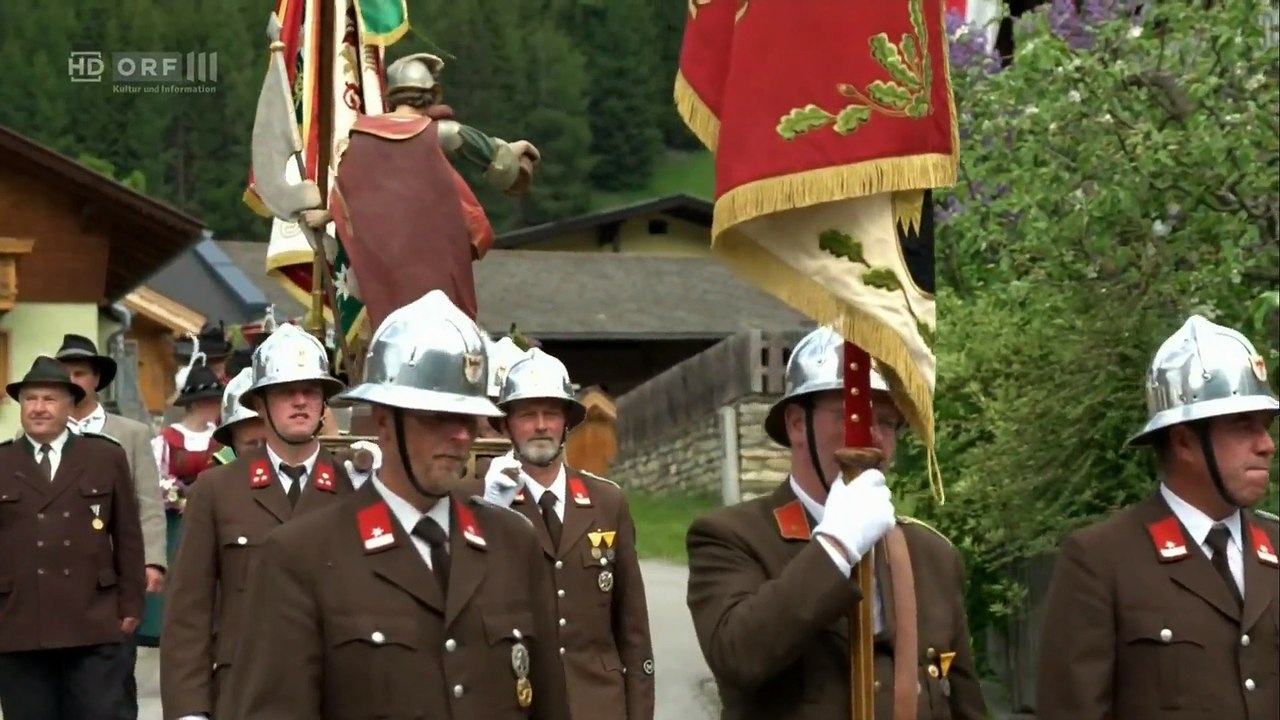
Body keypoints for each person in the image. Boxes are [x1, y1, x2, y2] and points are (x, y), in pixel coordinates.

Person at [226, 290, 571, 720]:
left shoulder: (512, 542)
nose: (461, 436)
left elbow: (549, 705)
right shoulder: (302, 557)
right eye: (436, 416)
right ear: (385, 422)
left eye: (467, 418)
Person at [685, 326, 988, 719]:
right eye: (853, 417)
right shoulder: (732, 536)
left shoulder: (931, 554)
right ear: (797, 424)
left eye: (887, 423)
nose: (873, 440)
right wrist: (836, 545)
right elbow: (738, 656)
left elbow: (964, 704)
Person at [1036, 315, 1279, 720]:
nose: (1266, 445)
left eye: (1266, 427)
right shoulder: (1103, 559)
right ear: (1184, 441)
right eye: (1243, 426)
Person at [159, 324, 356, 720]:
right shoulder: (217, 490)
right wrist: (189, 710)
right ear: (261, 405)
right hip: (243, 695)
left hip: (335, 696)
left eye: (311, 391)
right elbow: (188, 613)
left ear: (323, 404)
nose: (300, 402)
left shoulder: (352, 489)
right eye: (286, 392)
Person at [301, 53, 541, 325]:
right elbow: (503, 168)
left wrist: (324, 216)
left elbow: (349, 191)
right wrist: (516, 150)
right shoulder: (443, 132)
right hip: (433, 262)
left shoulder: (362, 136)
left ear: (390, 96)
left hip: (384, 266)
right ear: (433, 94)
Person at [483, 348, 656, 720]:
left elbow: (633, 629)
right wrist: (490, 510)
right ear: (507, 425)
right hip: (521, 703)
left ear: (566, 423)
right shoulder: (482, 500)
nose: (541, 425)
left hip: (599, 704)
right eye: (527, 415)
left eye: (551, 413)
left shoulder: (606, 501)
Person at [0, 356, 145, 720]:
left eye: (49, 399)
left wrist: (131, 604)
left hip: (93, 617)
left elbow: (127, 533)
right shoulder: (3, 461)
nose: (38, 408)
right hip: (19, 619)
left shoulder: (103, 455)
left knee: (101, 712)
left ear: (70, 404)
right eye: (31, 399)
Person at [53, 333, 169, 714]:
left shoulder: (130, 433)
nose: (71, 380)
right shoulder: (37, 434)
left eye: (79, 372)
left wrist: (152, 560)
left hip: (115, 572)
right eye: (63, 373)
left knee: (114, 677)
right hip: (56, 574)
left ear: (95, 379)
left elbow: (148, 501)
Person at [210, 367, 268, 463]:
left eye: (269, 443)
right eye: (251, 444)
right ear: (234, 444)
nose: (262, 452)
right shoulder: (221, 473)